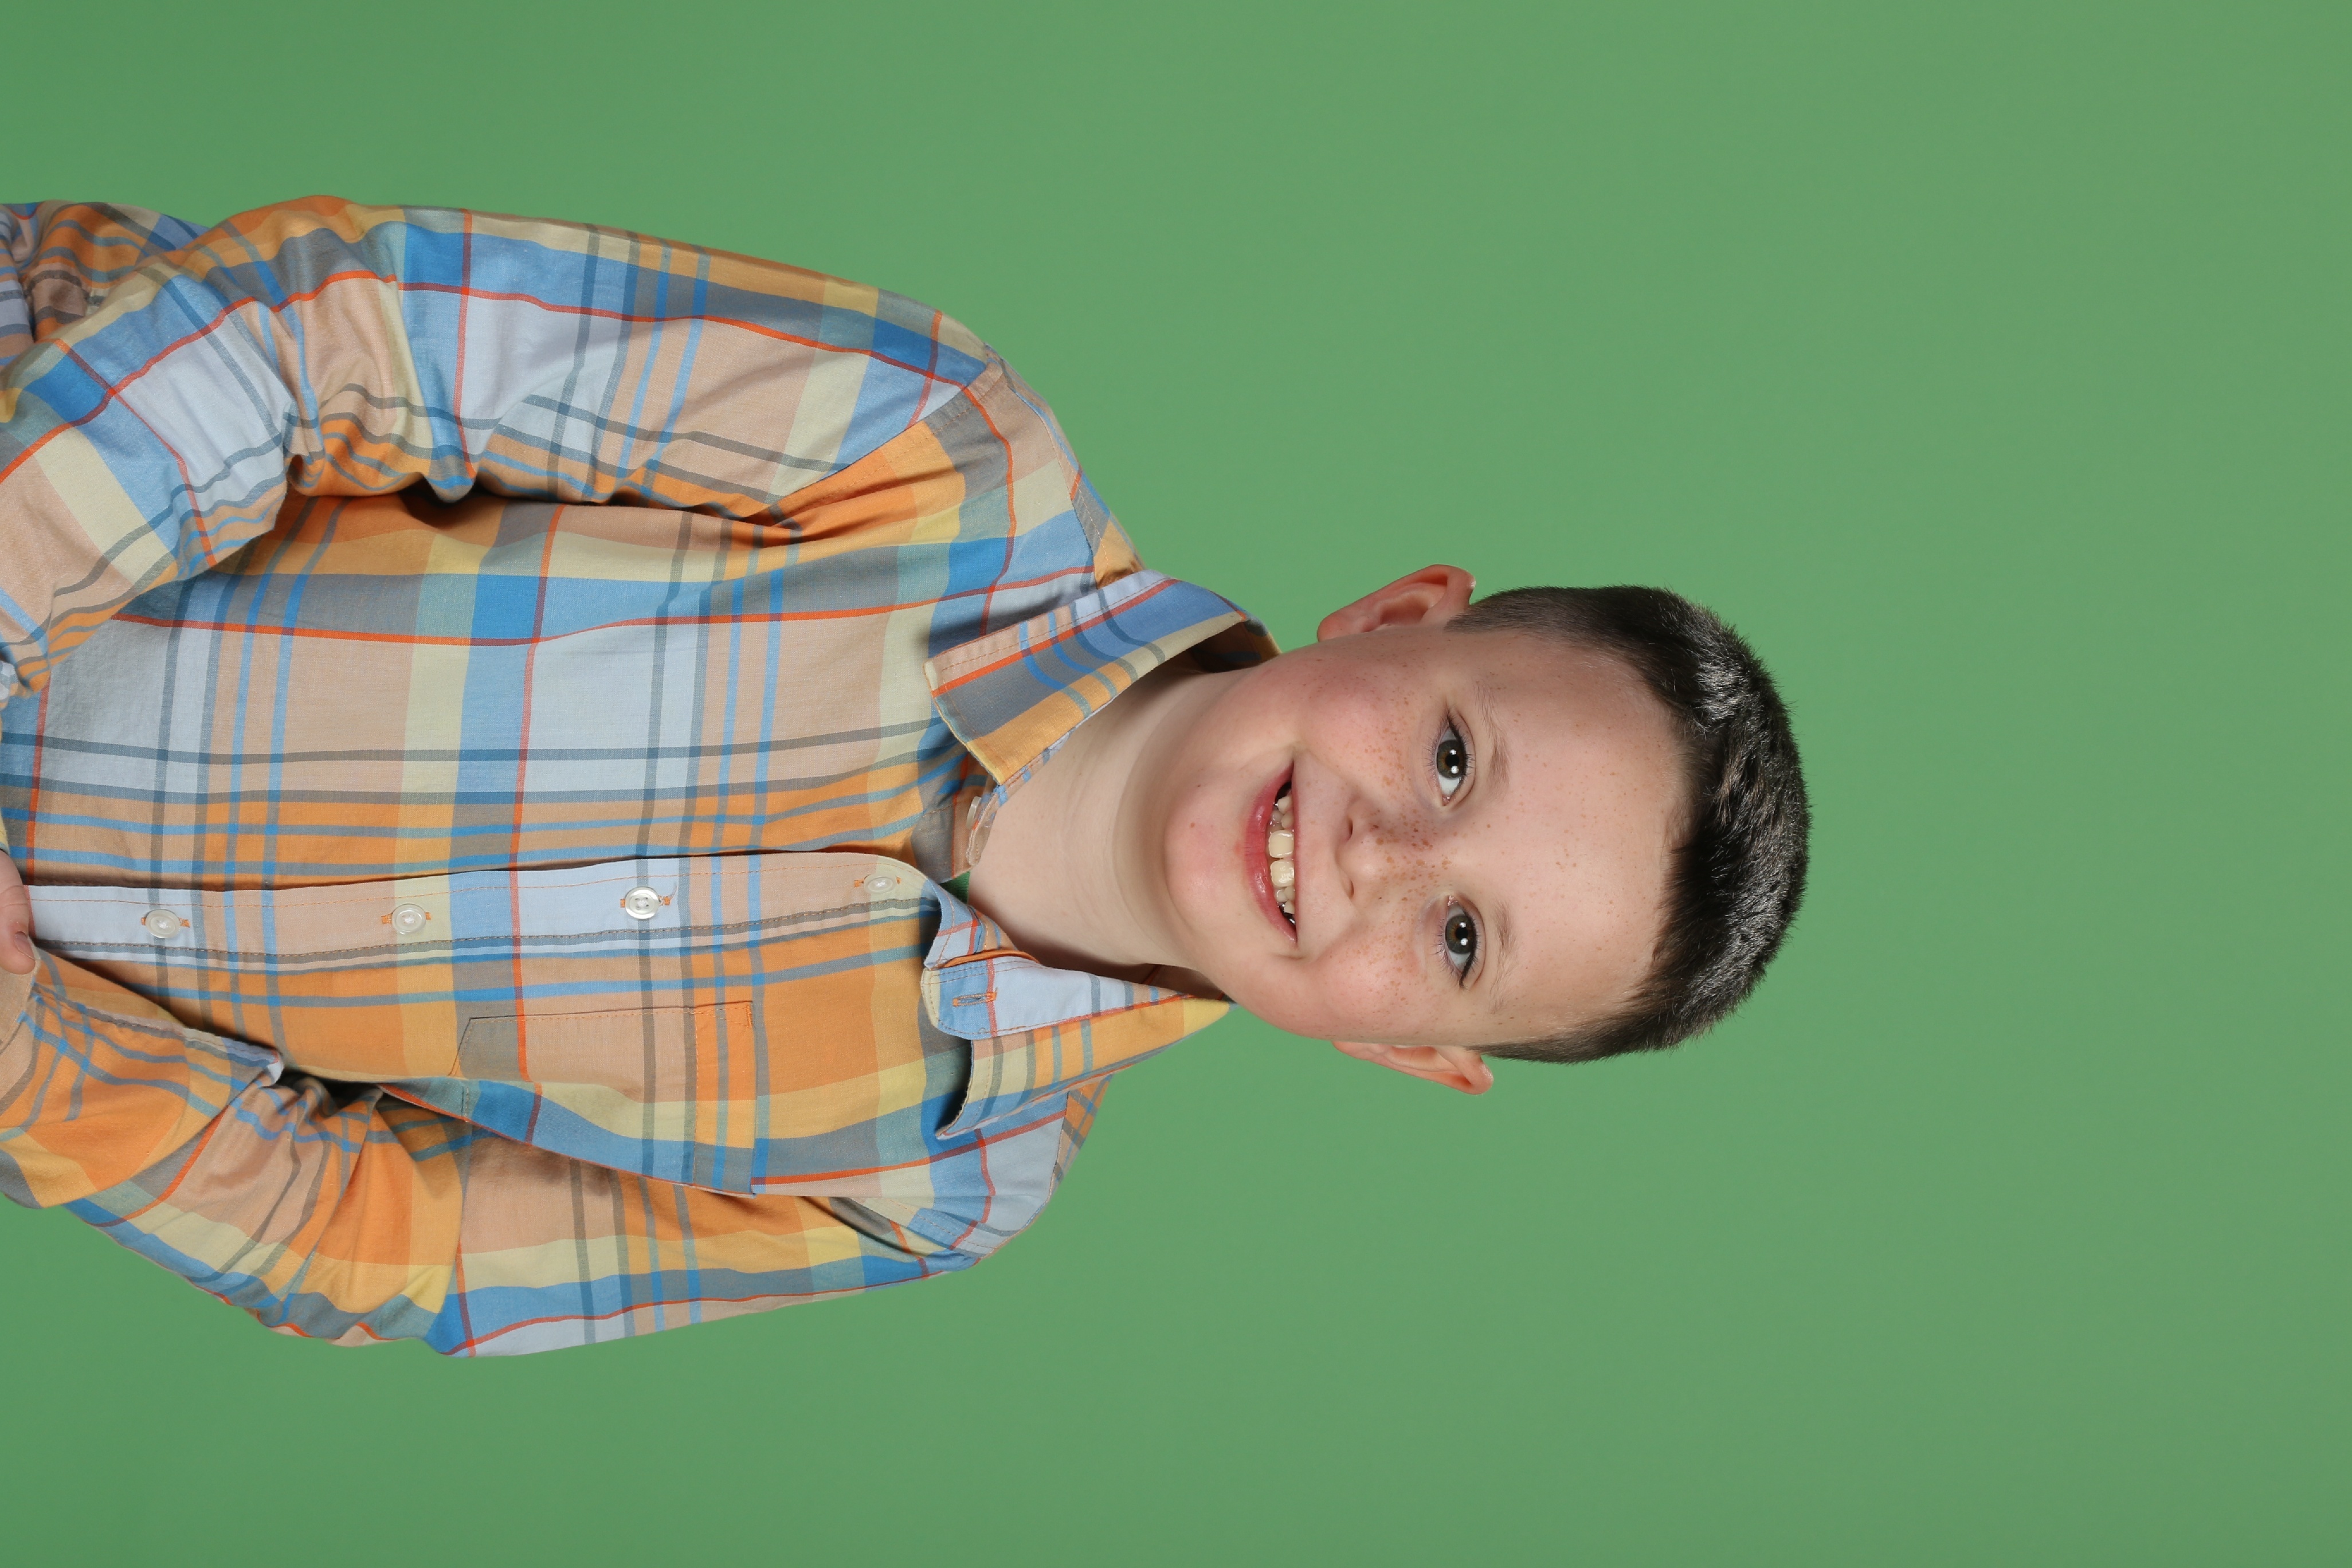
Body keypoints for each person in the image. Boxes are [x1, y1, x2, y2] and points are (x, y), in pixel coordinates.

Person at [0, 198, 1809, 1354]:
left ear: (1409, 1053)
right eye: (1450, 756)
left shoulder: (939, 1183)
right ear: (1401, 616)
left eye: (1461, 940)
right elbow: (327, 336)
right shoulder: (939, 455)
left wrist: (25, 1047)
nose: (1376, 854)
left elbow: (395, 1243)